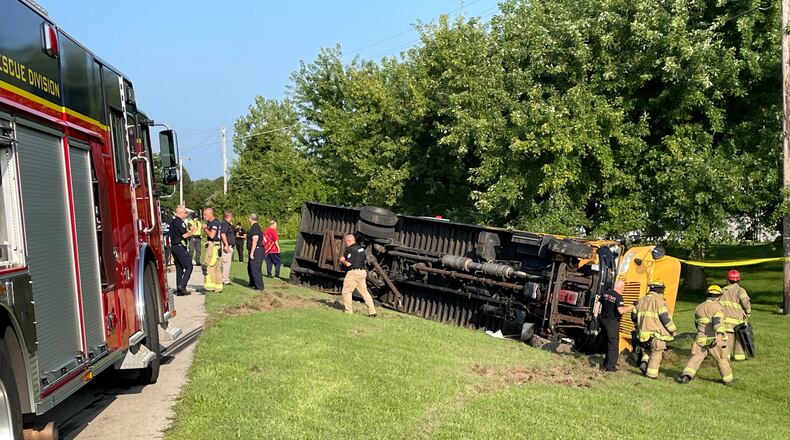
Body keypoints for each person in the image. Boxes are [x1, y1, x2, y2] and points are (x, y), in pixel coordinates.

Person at [678, 285, 734, 385]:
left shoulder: (699, 307)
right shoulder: (718, 307)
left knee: (695, 359)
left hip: (701, 338)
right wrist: (720, 335)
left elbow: (696, 323)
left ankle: (686, 376)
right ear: (719, 296)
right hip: (714, 339)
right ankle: (728, 380)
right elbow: (717, 323)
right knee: (722, 359)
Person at [631, 280, 677, 379]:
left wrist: (637, 326)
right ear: (660, 291)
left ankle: (644, 362)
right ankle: (651, 375)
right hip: (656, 334)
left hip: (643, 334)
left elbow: (633, 316)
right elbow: (665, 318)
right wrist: (673, 330)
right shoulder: (660, 302)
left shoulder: (641, 300)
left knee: (648, 350)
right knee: (656, 353)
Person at [338, 234, 377, 317]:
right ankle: (372, 311)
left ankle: (348, 311)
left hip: (353, 272)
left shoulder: (350, 249)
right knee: (364, 292)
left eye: (345, 242)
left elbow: (348, 264)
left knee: (346, 291)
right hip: (362, 272)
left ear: (349, 241)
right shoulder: (361, 249)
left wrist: (342, 260)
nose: (345, 243)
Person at [598, 280, 632, 372]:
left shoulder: (606, 293)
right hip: (612, 323)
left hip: (603, 320)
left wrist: (596, 316)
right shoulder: (618, 297)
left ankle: (606, 363)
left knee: (607, 343)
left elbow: (598, 303)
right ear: (621, 288)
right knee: (613, 345)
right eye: (623, 288)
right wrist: (632, 306)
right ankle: (610, 367)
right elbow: (621, 311)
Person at [720, 269, 752, 361]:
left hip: (725, 321)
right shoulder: (740, 290)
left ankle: (726, 357)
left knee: (727, 340)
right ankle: (739, 357)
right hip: (738, 321)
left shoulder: (722, 291)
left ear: (728, 279)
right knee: (740, 339)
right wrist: (748, 312)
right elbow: (745, 302)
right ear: (738, 280)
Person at [169, 206, 195, 296]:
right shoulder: (180, 222)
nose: (186, 215)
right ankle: (182, 286)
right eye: (185, 213)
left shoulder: (172, 222)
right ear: (180, 213)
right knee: (189, 266)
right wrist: (192, 231)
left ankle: (179, 290)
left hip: (173, 246)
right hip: (180, 247)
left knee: (179, 268)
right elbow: (184, 235)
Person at [202, 208, 223, 292]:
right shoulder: (215, 222)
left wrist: (205, 229)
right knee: (217, 268)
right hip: (217, 246)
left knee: (209, 266)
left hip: (213, 247)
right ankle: (218, 287)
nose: (204, 217)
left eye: (205, 215)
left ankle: (210, 287)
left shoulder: (214, 223)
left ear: (210, 214)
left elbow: (212, 235)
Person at [246, 214, 264, 290]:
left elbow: (255, 240)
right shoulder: (255, 227)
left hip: (257, 250)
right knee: (250, 267)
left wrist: (252, 252)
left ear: (250, 219)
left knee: (255, 268)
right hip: (256, 249)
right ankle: (252, 283)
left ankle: (259, 287)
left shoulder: (255, 227)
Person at [220, 211, 236, 285]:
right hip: (227, 246)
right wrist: (226, 244)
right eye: (231, 217)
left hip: (229, 245)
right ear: (229, 216)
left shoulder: (227, 224)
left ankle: (223, 278)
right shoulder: (224, 224)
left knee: (226, 263)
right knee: (226, 263)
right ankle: (225, 279)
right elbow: (223, 234)